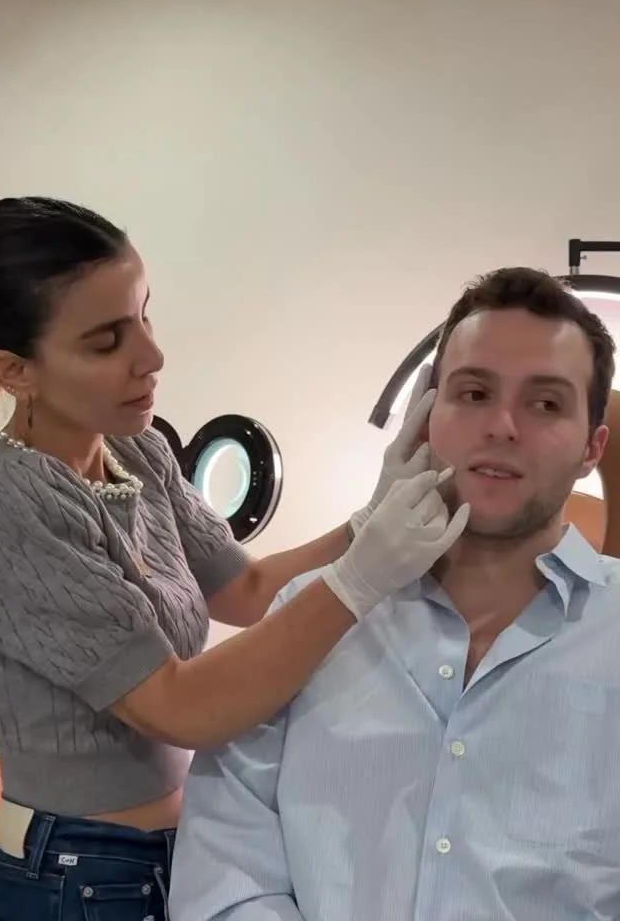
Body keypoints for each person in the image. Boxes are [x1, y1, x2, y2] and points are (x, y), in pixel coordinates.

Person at [0, 196, 468, 921]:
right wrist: (360, 579)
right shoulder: (4, 499)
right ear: (14, 370)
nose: (152, 357)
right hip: (77, 874)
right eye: (107, 342)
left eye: (144, 316)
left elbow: (246, 587)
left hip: (178, 852)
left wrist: (368, 520)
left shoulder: (136, 450)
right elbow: (180, 707)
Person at [171, 265, 620, 921]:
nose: (503, 425)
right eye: (473, 393)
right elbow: (223, 876)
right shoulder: (308, 618)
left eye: (545, 403)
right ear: (423, 419)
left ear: (592, 448)